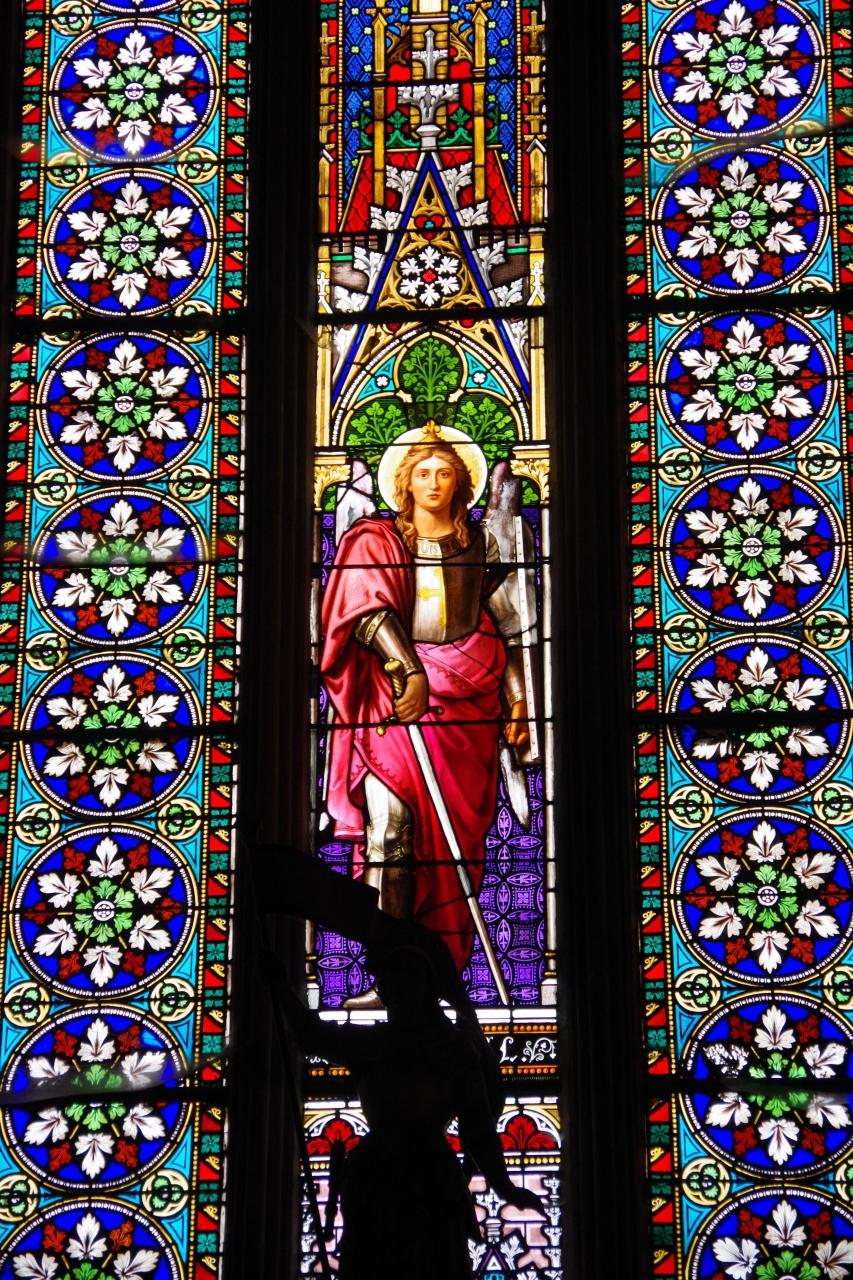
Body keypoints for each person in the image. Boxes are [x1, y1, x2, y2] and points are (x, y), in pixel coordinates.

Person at [320, 423, 535, 999]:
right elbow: (364, 609)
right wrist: (408, 668)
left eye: (445, 473)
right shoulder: (375, 540)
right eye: (422, 473)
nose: (434, 483)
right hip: (395, 702)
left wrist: (518, 699)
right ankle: (390, 976)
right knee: (389, 832)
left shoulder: (484, 546)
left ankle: (438, 974)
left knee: (455, 850)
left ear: (462, 483)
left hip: (468, 706)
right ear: (404, 483)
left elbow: (506, 625)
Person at [266, 944, 545, 1280]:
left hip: (430, 1180)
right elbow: (312, 1035)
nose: (402, 989)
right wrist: (280, 987)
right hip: (379, 1178)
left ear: (427, 989)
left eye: (410, 979)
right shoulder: (372, 1043)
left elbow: (478, 1127)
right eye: (394, 981)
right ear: (385, 992)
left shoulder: (453, 1048)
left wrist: (504, 1185)